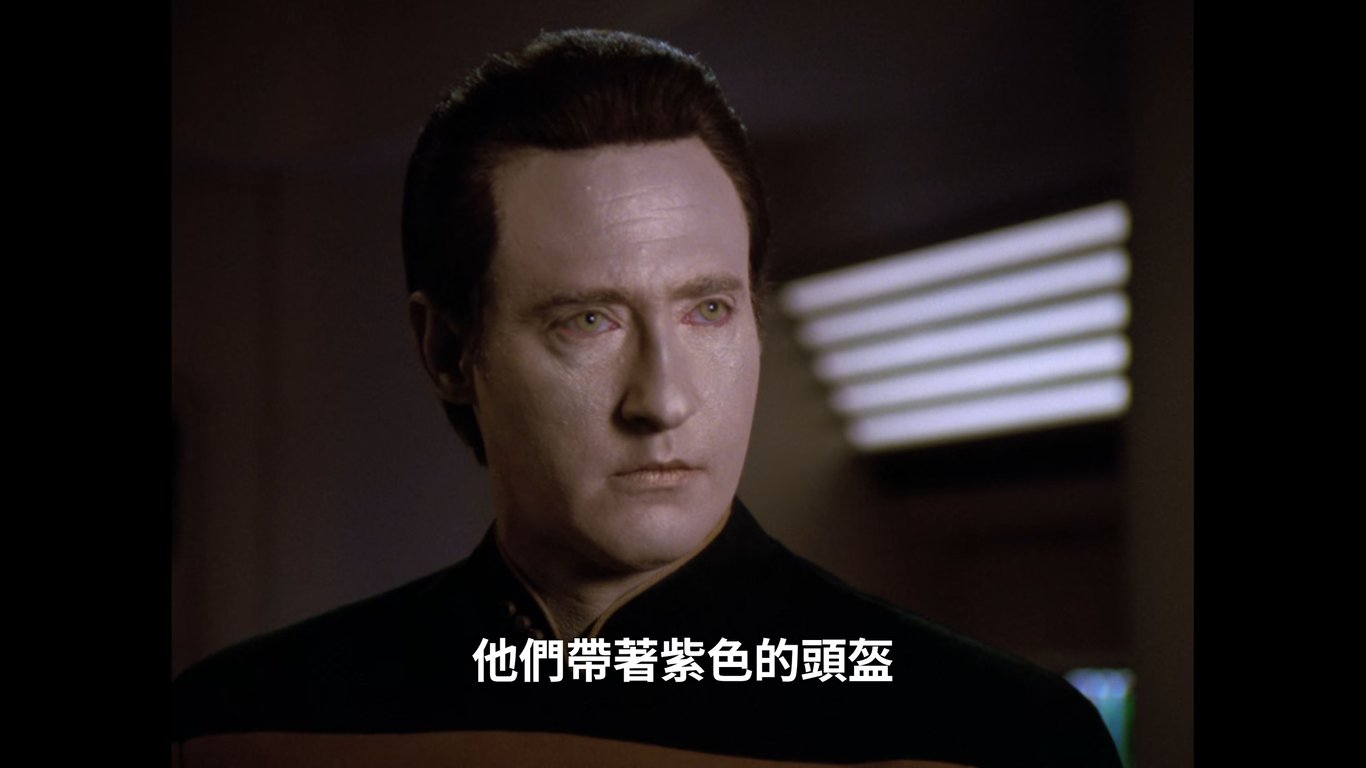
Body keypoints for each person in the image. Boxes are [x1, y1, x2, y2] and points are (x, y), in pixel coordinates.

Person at [171, 29, 1122, 767]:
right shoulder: (245, 724)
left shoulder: (996, 735)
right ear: (449, 350)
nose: (663, 401)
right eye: (588, 321)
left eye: (708, 310)